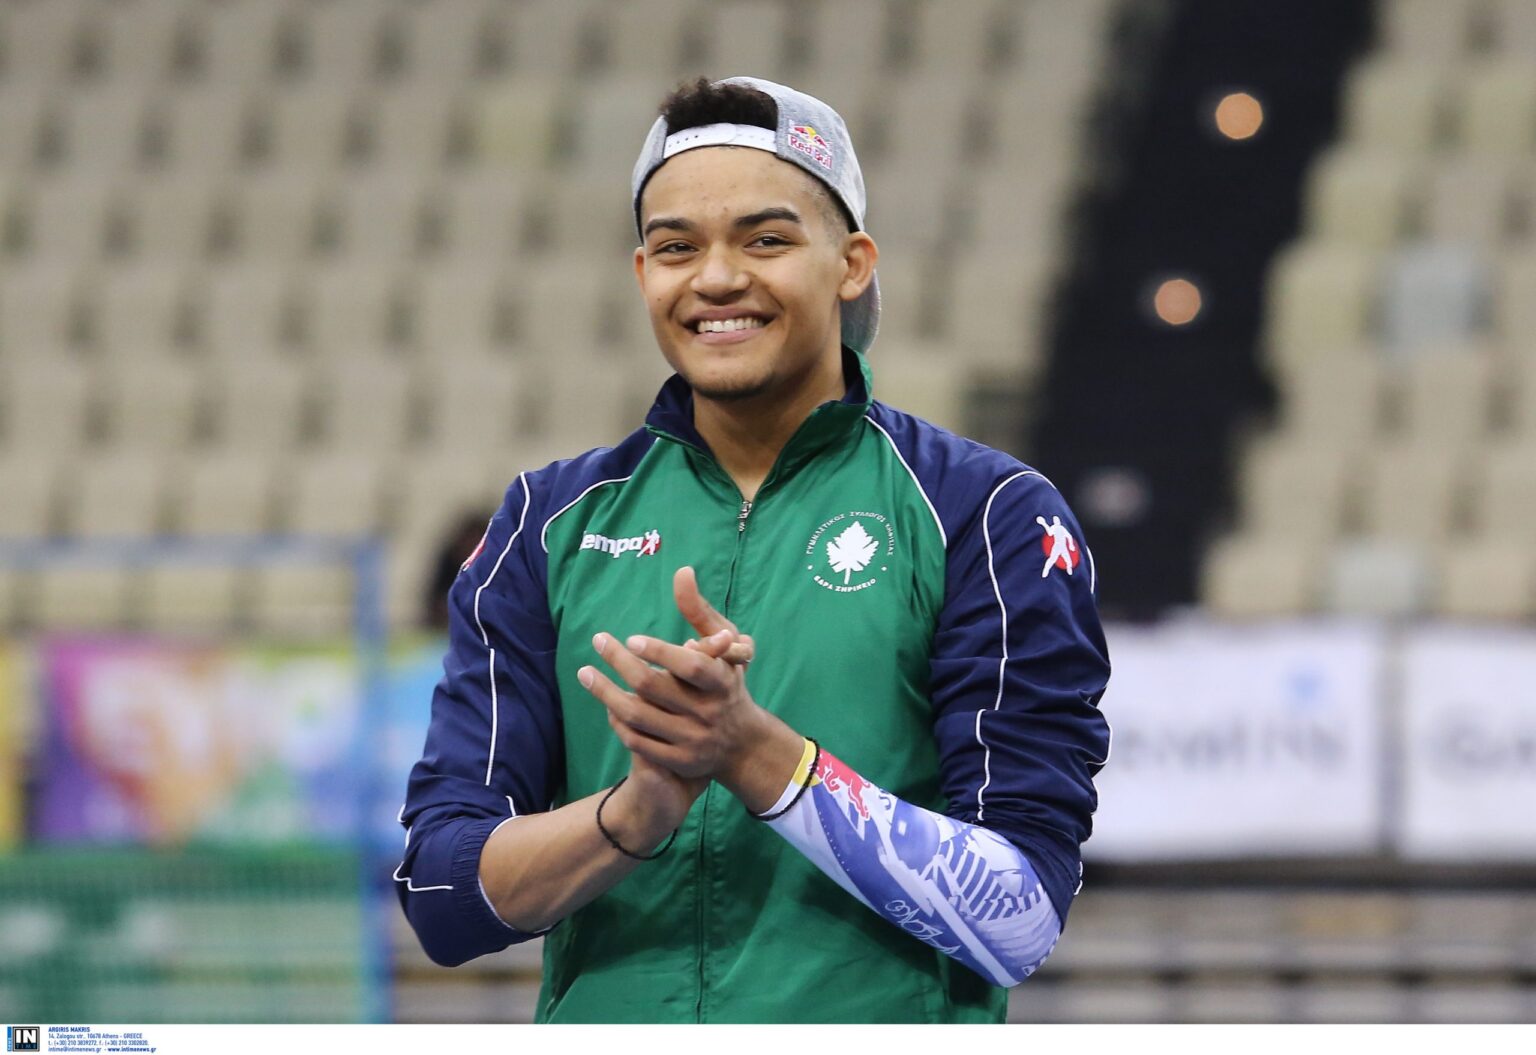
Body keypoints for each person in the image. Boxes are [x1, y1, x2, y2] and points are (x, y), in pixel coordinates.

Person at [396, 75, 1111, 1024]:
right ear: (642, 274)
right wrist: (632, 815)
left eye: (765, 240)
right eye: (676, 247)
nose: (717, 278)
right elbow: (443, 896)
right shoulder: (544, 524)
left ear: (851, 263)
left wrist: (755, 754)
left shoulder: (987, 514)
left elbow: (1018, 916)